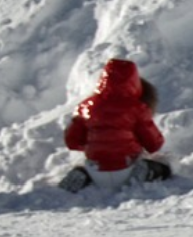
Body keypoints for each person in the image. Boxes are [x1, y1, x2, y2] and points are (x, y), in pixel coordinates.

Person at [60, 59, 170, 193]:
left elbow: (72, 141)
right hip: (128, 167)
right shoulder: (137, 108)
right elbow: (154, 144)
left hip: (96, 169)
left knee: (84, 166)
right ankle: (143, 172)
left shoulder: (86, 106)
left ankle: (82, 174)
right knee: (165, 163)